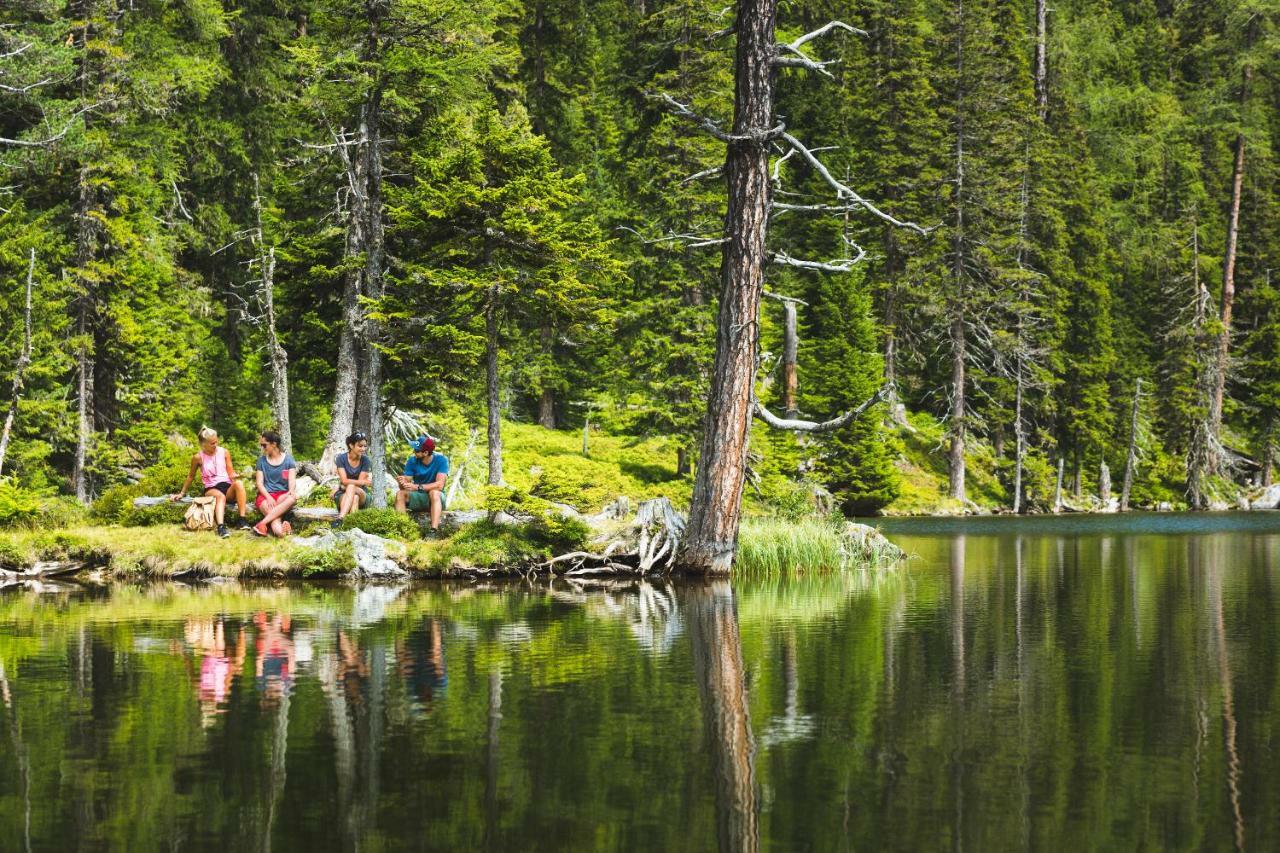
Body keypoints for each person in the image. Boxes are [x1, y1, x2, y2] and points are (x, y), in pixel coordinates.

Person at [171, 427, 251, 538]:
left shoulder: (224, 452)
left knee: (239, 484)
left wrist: (236, 476)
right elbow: (191, 476)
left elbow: (230, 473)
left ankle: (242, 520)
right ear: (203, 444)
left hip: (227, 486)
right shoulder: (198, 457)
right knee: (220, 496)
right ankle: (221, 527)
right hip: (211, 488)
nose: (215, 444)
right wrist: (181, 493)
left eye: (216, 441)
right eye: (212, 443)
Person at [394, 435, 448, 530]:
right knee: (400, 494)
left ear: (426, 452)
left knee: (434, 492)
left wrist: (416, 487)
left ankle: (433, 530)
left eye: (417, 450)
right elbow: (405, 486)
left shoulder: (441, 460)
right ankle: (403, 529)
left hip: (436, 498)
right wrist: (401, 482)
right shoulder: (412, 461)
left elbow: (439, 485)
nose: (414, 452)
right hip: (420, 496)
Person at [253, 430, 297, 537]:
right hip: (265, 496)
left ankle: (262, 524)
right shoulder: (262, 461)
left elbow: (292, 481)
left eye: (264, 445)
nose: (262, 448)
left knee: (293, 498)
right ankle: (282, 533)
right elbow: (259, 483)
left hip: (282, 495)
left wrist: (289, 493)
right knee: (275, 518)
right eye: (261, 445)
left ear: (274, 444)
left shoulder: (288, 460)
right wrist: (268, 497)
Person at [332, 431, 372, 526]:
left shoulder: (365, 460)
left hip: (362, 493)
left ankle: (340, 518)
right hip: (343, 495)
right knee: (354, 497)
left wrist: (344, 486)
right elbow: (345, 480)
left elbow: (360, 484)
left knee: (351, 487)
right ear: (351, 445)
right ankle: (352, 526)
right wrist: (347, 484)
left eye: (364, 446)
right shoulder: (341, 459)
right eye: (360, 446)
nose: (363, 449)